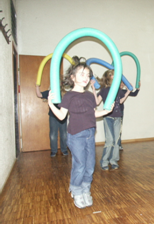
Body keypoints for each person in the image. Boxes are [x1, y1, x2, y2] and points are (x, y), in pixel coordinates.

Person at [47, 56, 114, 209]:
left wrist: (106, 111)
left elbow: (92, 114)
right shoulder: (69, 96)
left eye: (88, 75)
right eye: (82, 74)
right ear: (73, 77)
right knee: (80, 165)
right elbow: (62, 116)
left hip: (90, 134)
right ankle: (76, 190)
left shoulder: (90, 96)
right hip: (76, 136)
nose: (86, 78)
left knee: (90, 165)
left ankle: (85, 190)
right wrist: (51, 103)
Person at [96, 69, 131, 171]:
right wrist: (93, 89)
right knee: (110, 140)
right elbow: (96, 102)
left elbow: (120, 101)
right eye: (114, 75)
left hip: (118, 117)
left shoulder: (118, 90)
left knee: (116, 141)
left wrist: (128, 91)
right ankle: (104, 161)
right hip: (108, 118)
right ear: (110, 77)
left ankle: (113, 160)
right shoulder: (104, 90)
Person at [35, 82, 68, 157]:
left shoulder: (64, 93)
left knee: (64, 134)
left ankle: (64, 149)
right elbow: (39, 95)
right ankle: (54, 151)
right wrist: (37, 86)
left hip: (63, 117)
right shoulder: (50, 92)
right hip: (53, 117)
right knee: (53, 134)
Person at [118, 81, 140, 150]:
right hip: (112, 113)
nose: (121, 84)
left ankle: (119, 144)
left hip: (120, 111)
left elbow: (134, 94)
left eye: (123, 83)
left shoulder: (124, 91)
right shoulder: (114, 90)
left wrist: (138, 88)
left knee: (119, 129)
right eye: (120, 83)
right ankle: (112, 145)